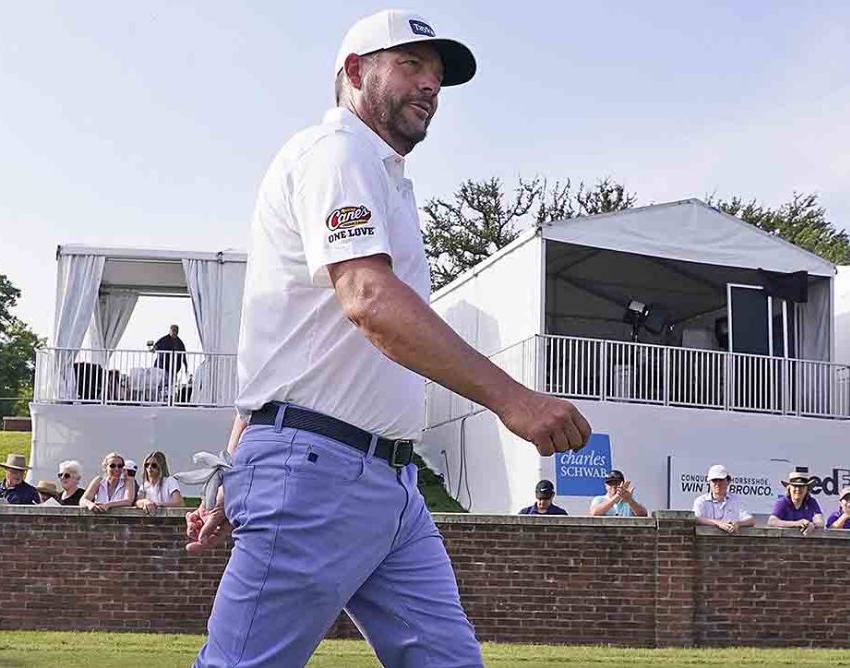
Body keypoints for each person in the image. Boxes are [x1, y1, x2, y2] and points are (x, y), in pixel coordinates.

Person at [184, 11, 590, 667]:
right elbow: (369, 300)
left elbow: (287, 337)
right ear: (353, 72)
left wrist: (231, 472)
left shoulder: (381, 179)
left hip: (384, 483)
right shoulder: (338, 154)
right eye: (411, 64)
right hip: (316, 469)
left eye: (437, 73)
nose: (431, 83)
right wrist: (514, 399)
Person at [693, 465, 755, 534]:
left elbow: (751, 520)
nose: (718, 483)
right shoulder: (701, 501)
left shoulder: (735, 500)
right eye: (714, 480)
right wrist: (718, 523)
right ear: (709, 482)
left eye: (721, 480)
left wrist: (738, 524)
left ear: (728, 481)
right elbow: (696, 519)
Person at [768, 470, 824, 534]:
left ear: (807, 489)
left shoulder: (811, 502)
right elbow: (772, 521)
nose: (798, 489)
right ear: (789, 488)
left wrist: (812, 525)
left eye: (801, 486)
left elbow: (820, 522)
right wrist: (797, 523)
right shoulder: (782, 502)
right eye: (795, 486)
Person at [135, 451, 183, 515]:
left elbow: (178, 503)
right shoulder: (144, 485)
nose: (150, 467)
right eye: (147, 465)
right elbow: (137, 502)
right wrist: (146, 502)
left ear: (160, 466)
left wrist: (157, 505)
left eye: (154, 465)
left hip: (169, 519)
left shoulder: (170, 481)